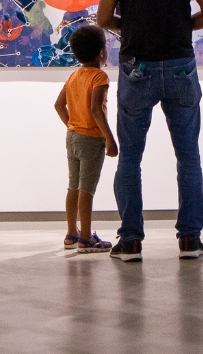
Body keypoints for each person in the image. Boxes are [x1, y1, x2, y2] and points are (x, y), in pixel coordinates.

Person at [96, 0, 203, 262]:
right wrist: (184, 26)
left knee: (130, 158)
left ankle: (131, 240)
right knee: (188, 156)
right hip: (181, 65)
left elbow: (103, 17)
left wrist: (128, 26)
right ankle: (190, 240)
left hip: (138, 67)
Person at [54, 25, 119, 253]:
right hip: (91, 139)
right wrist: (109, 137)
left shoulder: (74, 75)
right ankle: (85, 238)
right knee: (87, 189)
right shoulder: (99, 76)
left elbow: (59, 105)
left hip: (72, 137)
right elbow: (96, 109)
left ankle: (71, 233)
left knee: (73, 186)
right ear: (101, 52)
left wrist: (73, 125)